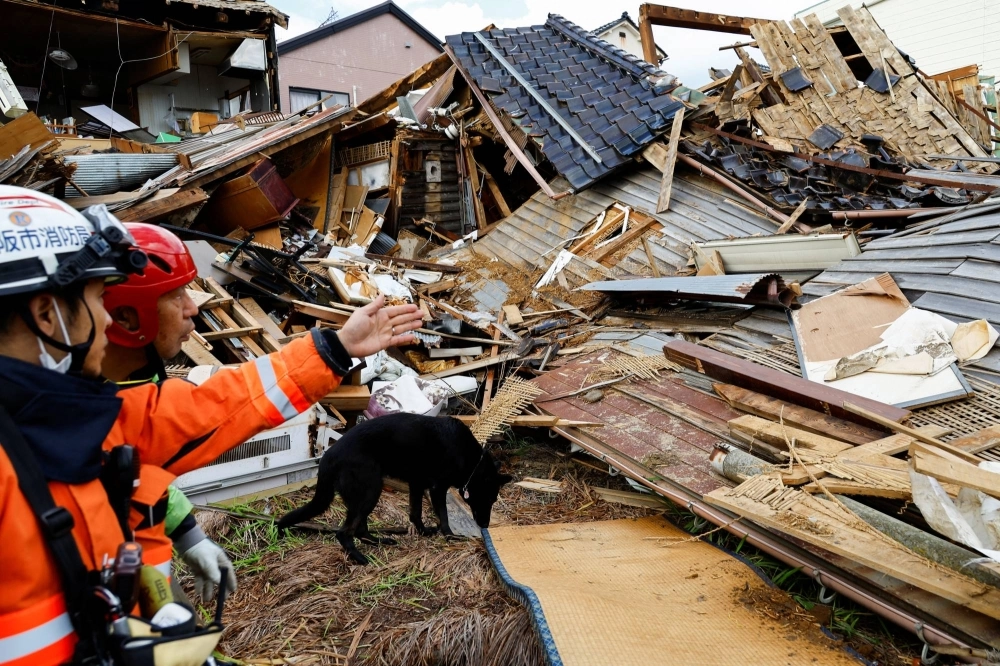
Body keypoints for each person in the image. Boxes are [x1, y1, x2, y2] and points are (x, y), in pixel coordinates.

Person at [0, 185, 423, 666]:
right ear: (46, 316)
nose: (105, 316)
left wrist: (335, 349)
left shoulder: (80, 416)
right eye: (97, 297)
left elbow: (215, 405)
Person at [101, 223, 231, 601]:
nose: (193, 309)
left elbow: (137, 477)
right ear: (127, 317)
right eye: (176, 296)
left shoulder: (128, 385)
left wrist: (188, 534)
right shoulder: (76, 411)